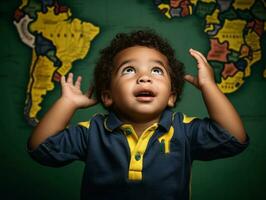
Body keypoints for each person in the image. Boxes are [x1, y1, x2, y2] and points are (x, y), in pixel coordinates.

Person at [28, 30, 249, 200]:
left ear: (171, 97)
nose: (144, 78)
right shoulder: (93, 132)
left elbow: (234, 138)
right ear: (107, 96)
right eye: (129, 70)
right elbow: (41, 149)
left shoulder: (183, 130)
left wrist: (209, 85)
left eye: (156, 70)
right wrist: (67, 103)